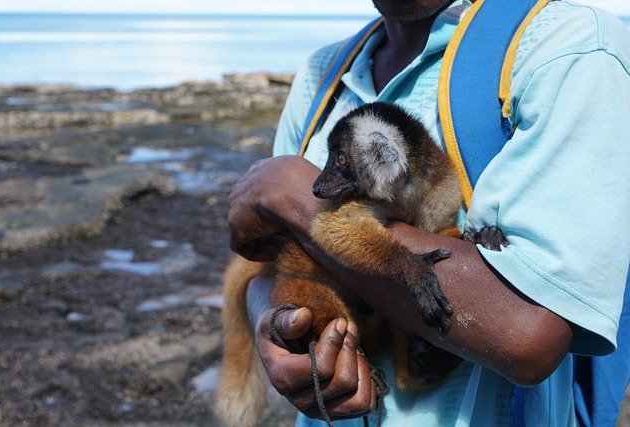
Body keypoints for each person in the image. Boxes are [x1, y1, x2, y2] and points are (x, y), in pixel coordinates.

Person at [226, 0, 630, 425]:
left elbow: (530, 337)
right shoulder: (322, 73)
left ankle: (415, 361)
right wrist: (276, 329)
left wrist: (289, 189)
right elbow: (269, 266)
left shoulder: (566, 45)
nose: (315, 184)